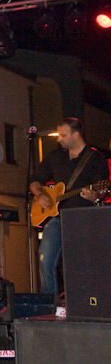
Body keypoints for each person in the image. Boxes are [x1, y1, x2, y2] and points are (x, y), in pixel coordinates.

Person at [30, 117, 109, 296]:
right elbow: (35, 179)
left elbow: (101, 191)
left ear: (76, 135)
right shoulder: (56, 156)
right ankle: (50, 301)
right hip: (57, 217)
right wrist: (40, 194)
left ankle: (79, 300)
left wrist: (95, 195)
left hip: (82, 218)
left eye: (63, 135)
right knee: (45, 258)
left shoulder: (95, 159)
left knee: (77, 263)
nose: (59, 139)